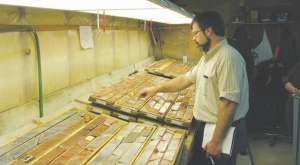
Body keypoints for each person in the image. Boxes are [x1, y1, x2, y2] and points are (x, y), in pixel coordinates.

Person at [138, 11, 249, 165]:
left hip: (223, 131)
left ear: (208, 31)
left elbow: (229, 103)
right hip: (209, 128)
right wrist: (156, 89)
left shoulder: (228, 58)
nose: (193, 38)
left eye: (196, 33)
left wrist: (216, 141)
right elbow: (185, 79)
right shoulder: (208, 57)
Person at [284, 62, 300, 135]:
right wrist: (293, 89)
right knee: (291, 123)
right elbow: (287, 81)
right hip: (294, 101)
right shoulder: (298, 66)